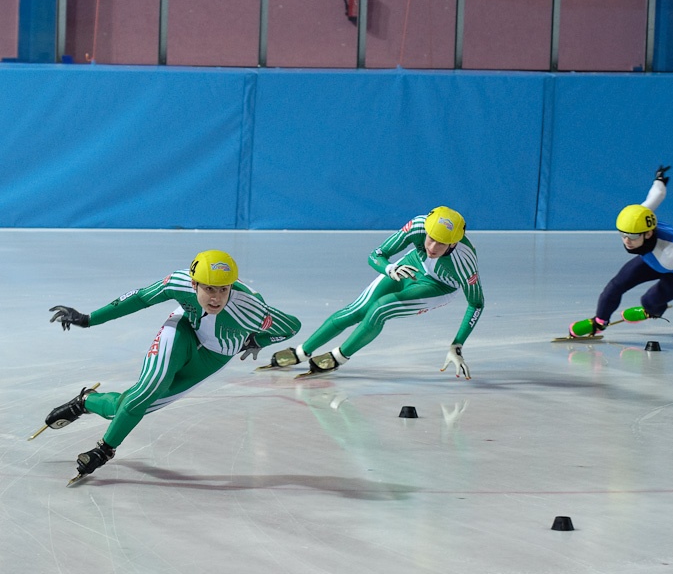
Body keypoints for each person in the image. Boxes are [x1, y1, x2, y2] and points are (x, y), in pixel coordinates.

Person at [42, 250, 302, 481]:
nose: (217, 297)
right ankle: (105, 450)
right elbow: (141, 298)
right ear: (194, 283)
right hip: (183, 331)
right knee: (146, 393)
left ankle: (86, 402)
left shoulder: (251, 310)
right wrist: (89, 319)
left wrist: (258, 340)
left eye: (224, 289)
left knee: (123, 409)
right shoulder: (179, 282)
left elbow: (291, 326)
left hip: (213, 357)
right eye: (209, 289)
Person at [269, 206, 484, 380]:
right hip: (410, 265)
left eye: (441, 243)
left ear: (454, 243)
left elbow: (476, 303)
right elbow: (376, 255)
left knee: (381, 308)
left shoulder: (464, 262)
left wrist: (457, 343)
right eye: (430, 238)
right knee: (357, 310)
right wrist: (389, 268)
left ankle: (339, 357)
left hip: (438, 286)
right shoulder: (418, 226)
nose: (432, 246)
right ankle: (301, 351)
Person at [569, 166, 673, 337]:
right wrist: (659, 180)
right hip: (654, 258)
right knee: (615, 285)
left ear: (648, 233)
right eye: (623, 235)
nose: (627, 241)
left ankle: (652, 311)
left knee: (649, 301)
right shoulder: (641, 217)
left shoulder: (671, 255)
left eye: (632, 237)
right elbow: (657, 195)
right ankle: (599, 323)